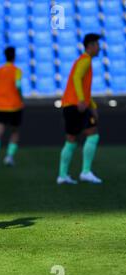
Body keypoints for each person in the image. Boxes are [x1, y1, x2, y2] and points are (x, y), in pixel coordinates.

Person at [57, 33, 102, 185]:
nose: (99, 47)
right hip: (77, 106)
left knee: (71, 140)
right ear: (90, 46)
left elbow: (82, 86)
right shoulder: (85, 60)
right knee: (93, 134)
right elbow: (77, 78)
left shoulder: (81, 61)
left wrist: (92, 105)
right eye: (97, 44)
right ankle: (86, 172)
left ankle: (62, 175)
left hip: (69, 105)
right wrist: (82, 101)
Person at [0, 46, 24, 167]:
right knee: (14, 132)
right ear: (14, 56)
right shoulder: (17, 70)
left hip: (0, 105)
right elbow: (18, 85)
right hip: (14, 105)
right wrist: (21, 97)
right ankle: (9, 157)